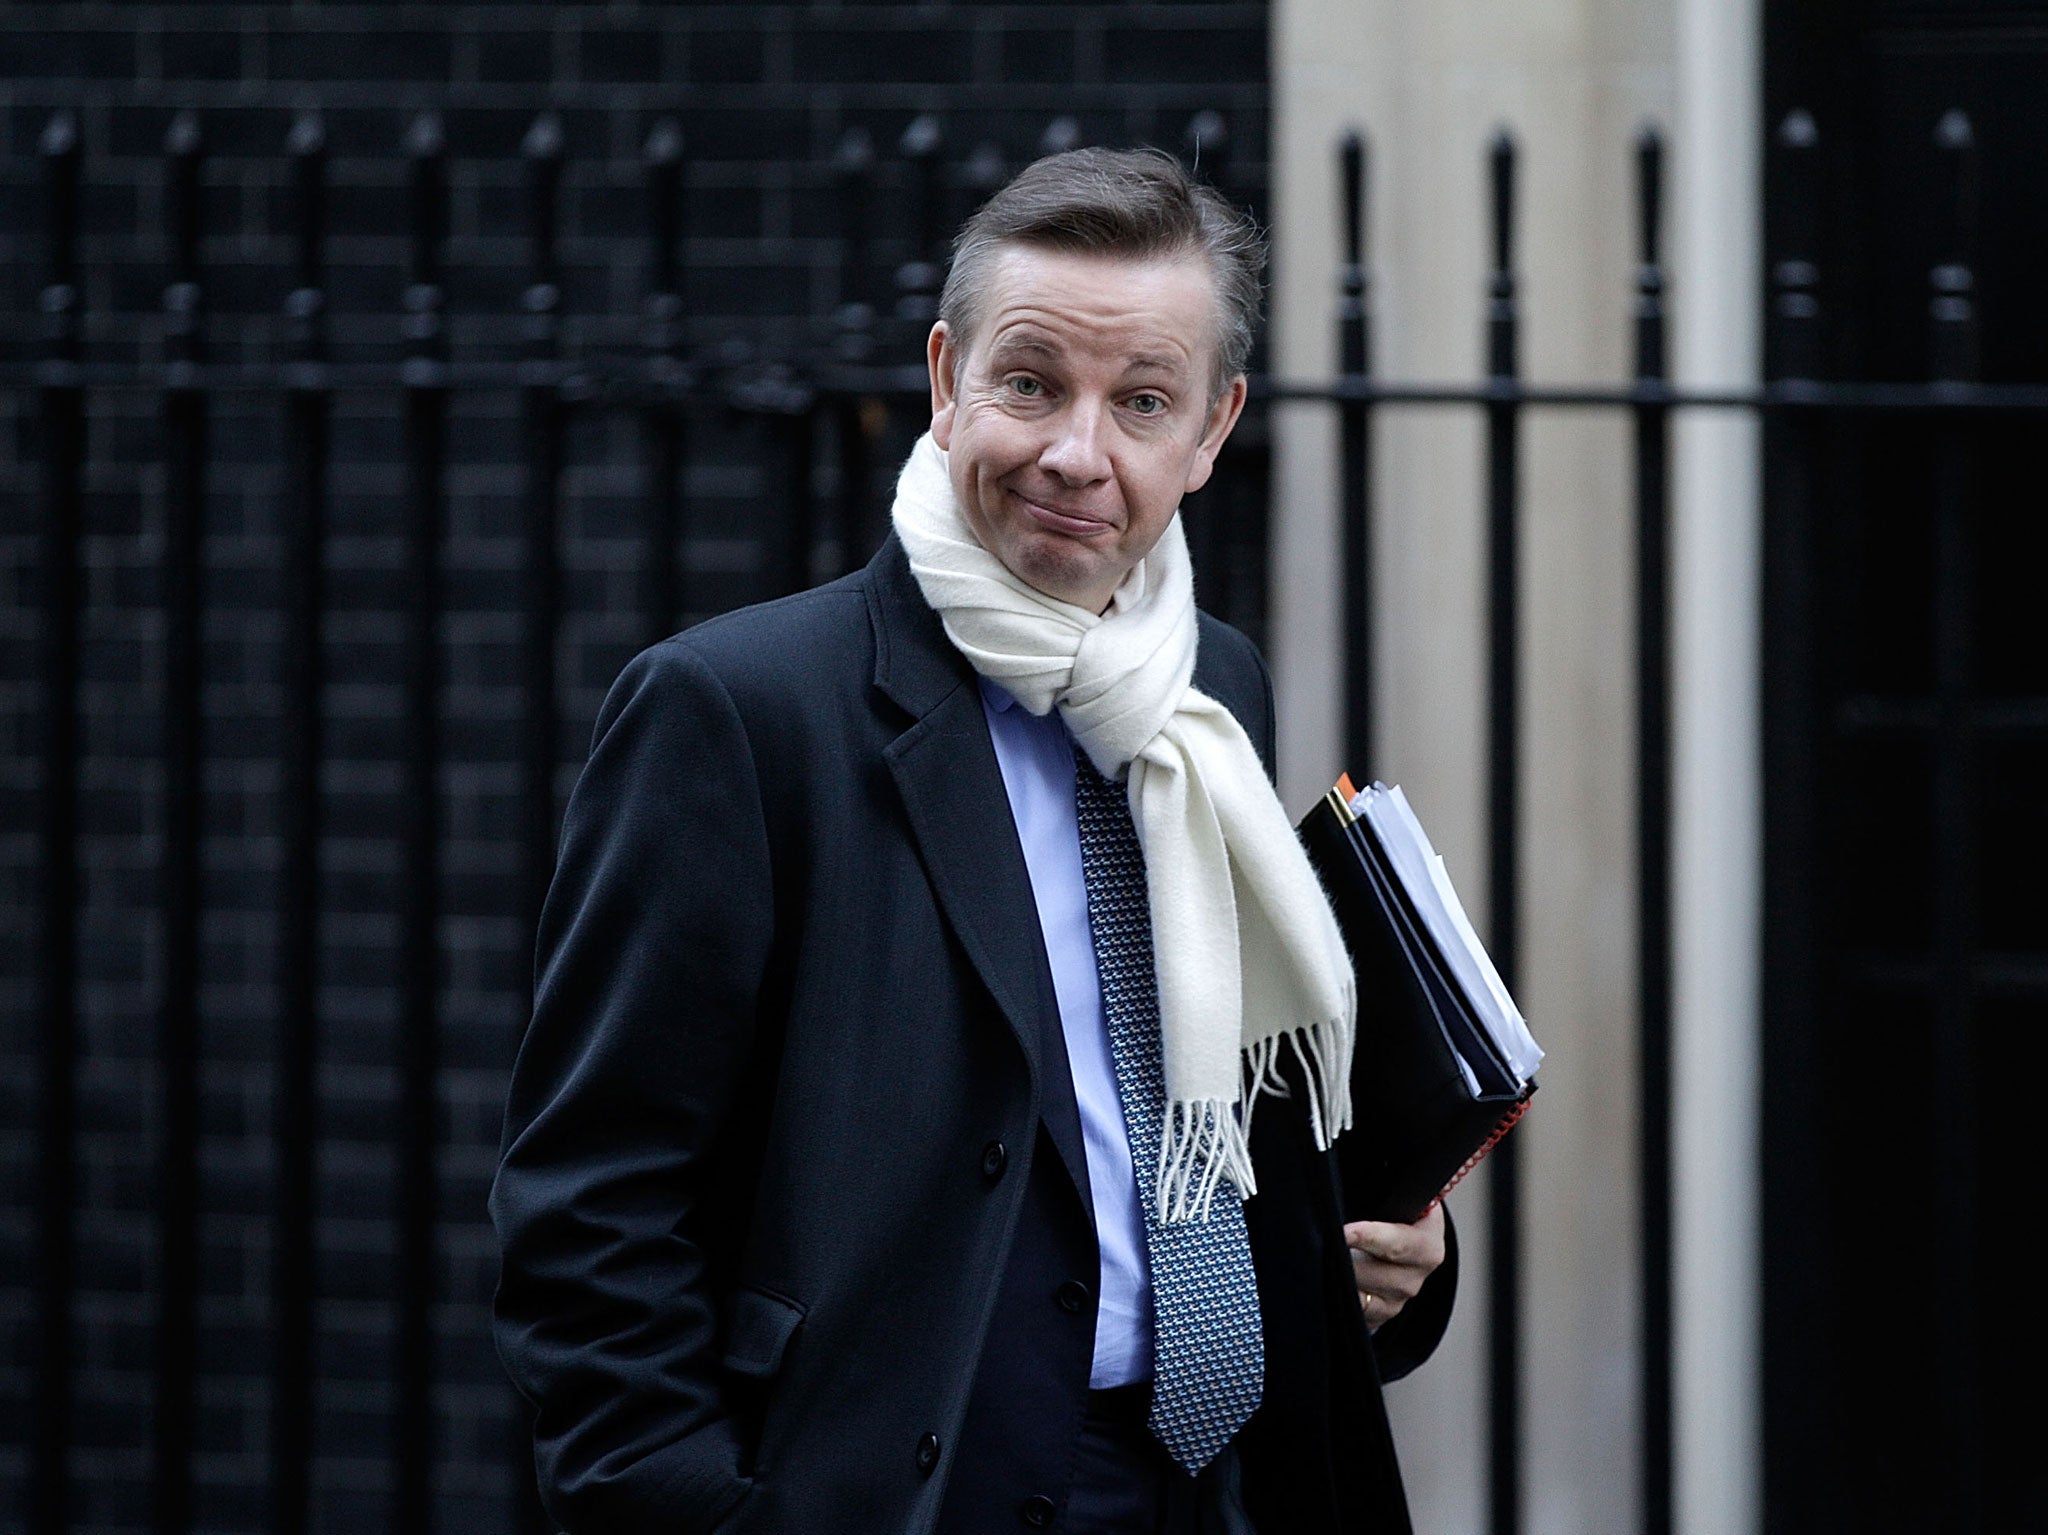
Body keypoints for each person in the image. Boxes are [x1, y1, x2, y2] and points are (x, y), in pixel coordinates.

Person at [492, 146, 1454, 1535]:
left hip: (1206, 1489)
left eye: (1140, 402)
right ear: (946, 382)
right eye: (1029, 382)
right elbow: (589, 1212)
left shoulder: (1208, 694)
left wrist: (1380, 1249)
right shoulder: (738, 711)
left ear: (1212, 429)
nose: (1078, 452)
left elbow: (1219, 1113)